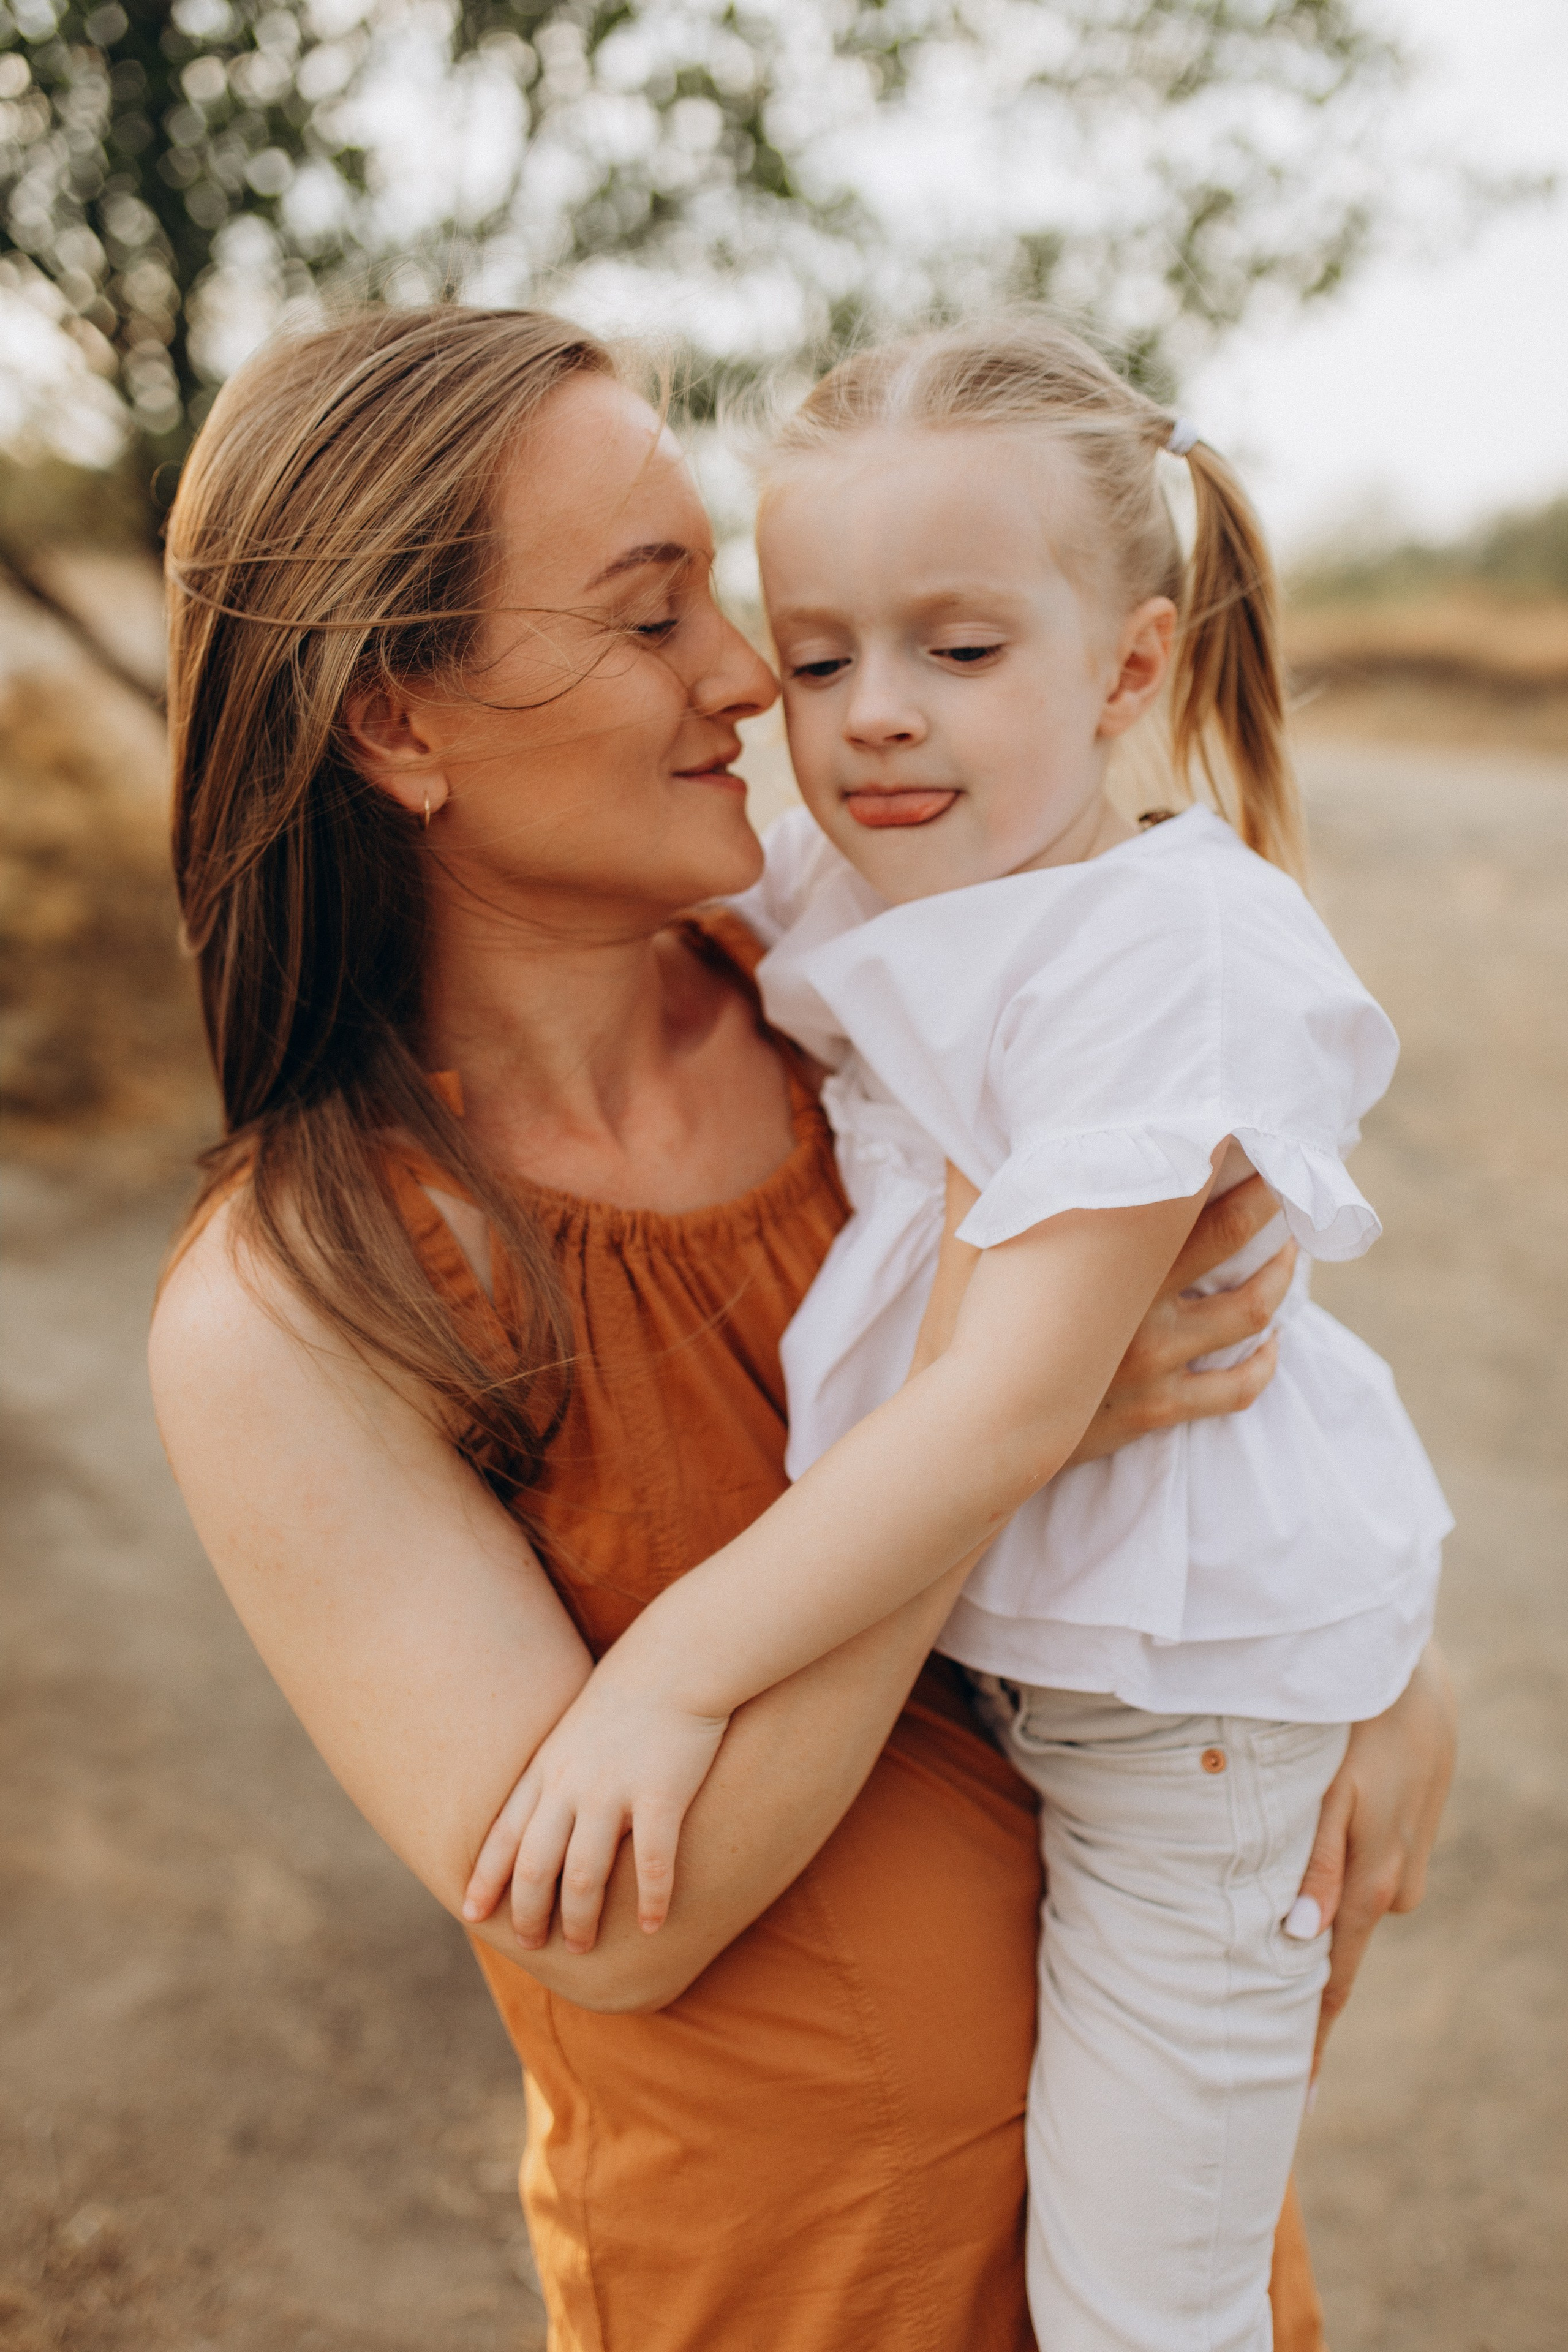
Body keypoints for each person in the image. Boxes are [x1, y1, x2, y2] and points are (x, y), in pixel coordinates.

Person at [149, 306, 1456, 2352]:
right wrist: (1010, 1415)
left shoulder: (858, 975)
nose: (762, 686)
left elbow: (1211, 1337)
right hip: (800, 2291)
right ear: (399, 723)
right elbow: (616, 1931)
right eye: (660, 616)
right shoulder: (292, 1309)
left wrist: (1375, 1656)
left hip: (1134, 2215)